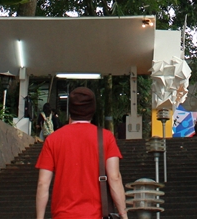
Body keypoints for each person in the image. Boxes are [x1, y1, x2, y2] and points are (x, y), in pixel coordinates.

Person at [35, 87, 129, 219]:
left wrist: (39, 217)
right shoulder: (106, 138)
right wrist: (123, 215)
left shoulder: (52, 140)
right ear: (92, 110)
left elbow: (43, 183)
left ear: (70, 110)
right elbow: (114, 178)